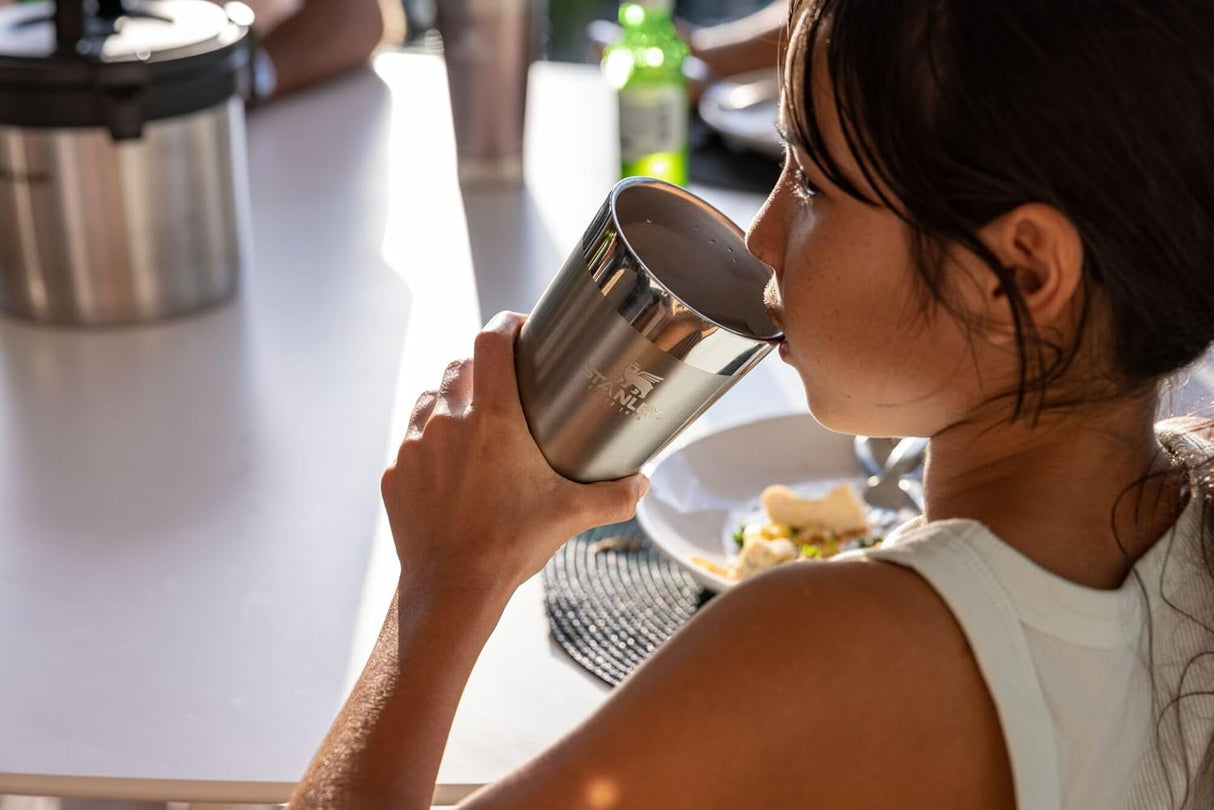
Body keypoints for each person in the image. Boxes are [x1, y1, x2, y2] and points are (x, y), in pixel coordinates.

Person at [286, 0, 1214, 807]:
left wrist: (445, 580)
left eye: (810, 181)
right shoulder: (1194, 510)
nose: (762, 238)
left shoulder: (822, 647)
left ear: (1021, 270)